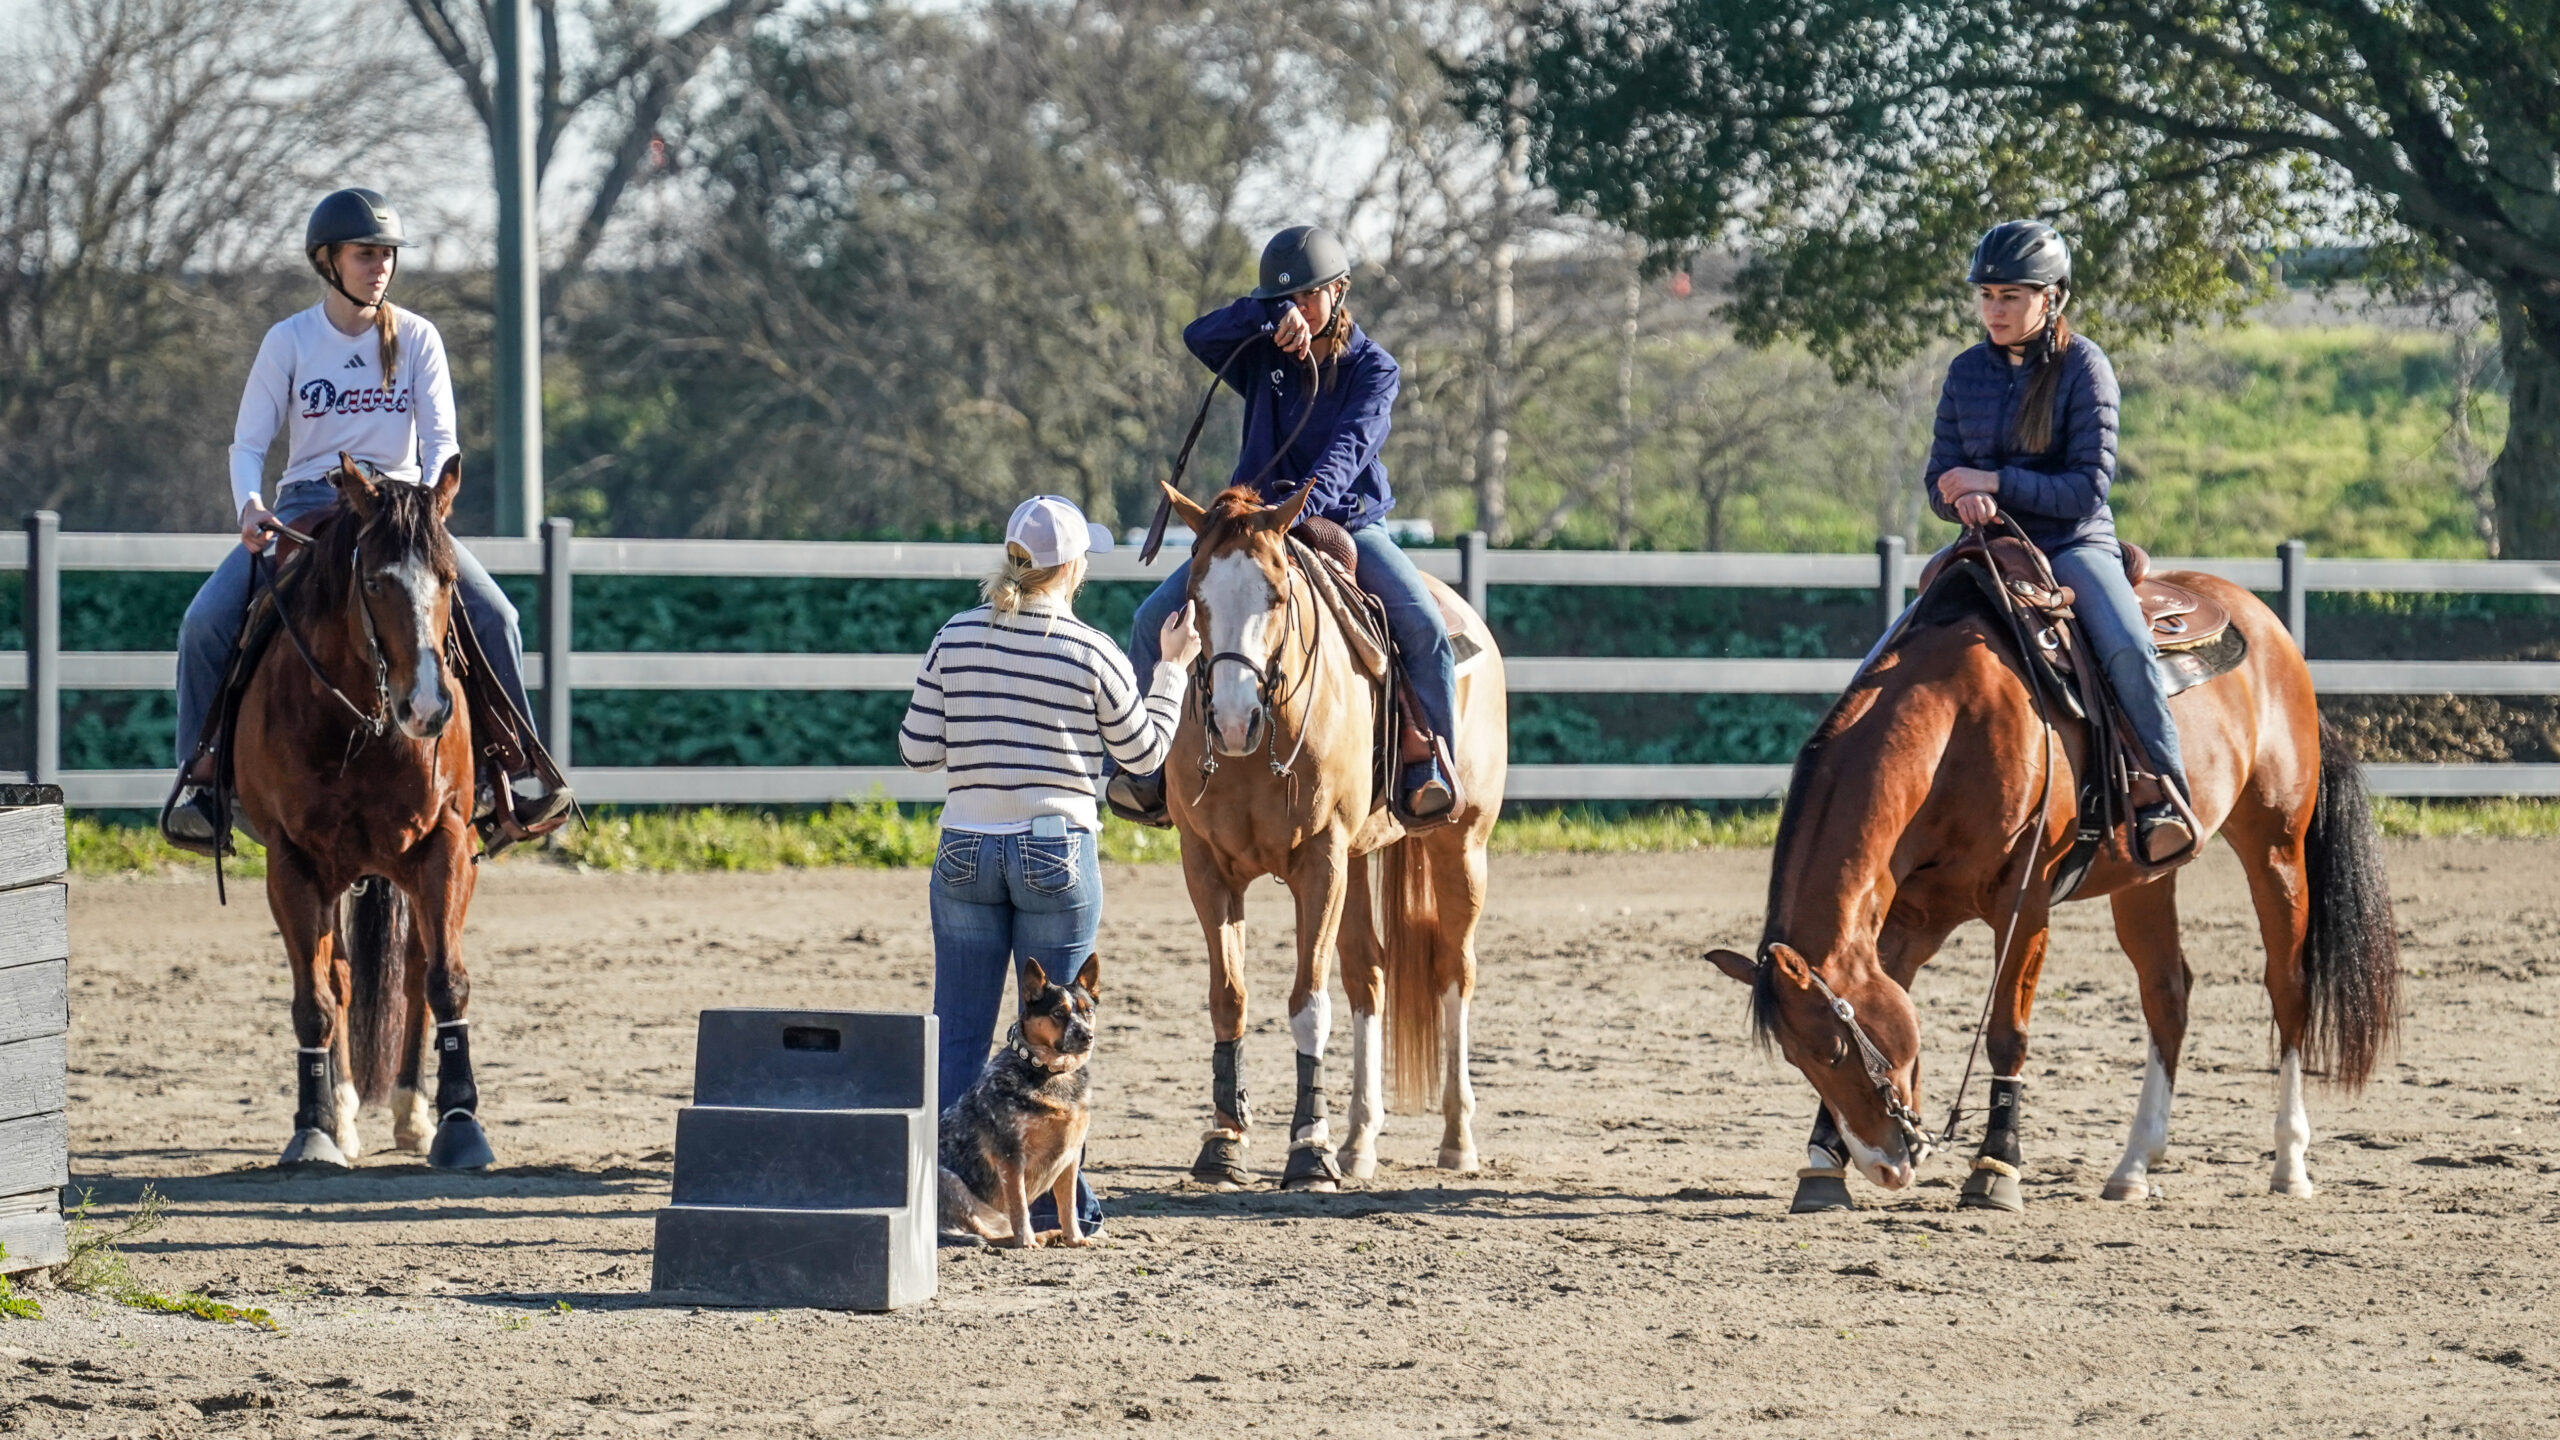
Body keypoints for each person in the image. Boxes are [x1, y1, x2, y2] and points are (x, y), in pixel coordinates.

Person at [165, 188, 569, 848]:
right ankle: (204, 780)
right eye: (365, 254)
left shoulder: (417, 337)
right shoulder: (289, 340)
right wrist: (250, 506)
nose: (379, 266)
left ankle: (517, 770)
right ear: (328, 261)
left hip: (402, 514)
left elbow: (442, 439)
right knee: (205, 621)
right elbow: (248, 443)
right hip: (308, 505)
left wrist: (435, 496)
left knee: (497, 615)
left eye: (386, 255)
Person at [900, 494, 1200, 1238]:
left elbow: (915, 749)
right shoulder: (1091, 649)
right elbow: (1144, 756)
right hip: (1056, 847)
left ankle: (943, 1200)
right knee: (1062, 1040)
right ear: (1074, 568)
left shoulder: (956, 634)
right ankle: (1066, 1209)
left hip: (966, 843)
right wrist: (1172, 671)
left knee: (959, 1032)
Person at [1104, 225, 1460, 826]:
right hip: (1250, 532)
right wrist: (1266, 320)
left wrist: (1297, 507)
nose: (1298, 308)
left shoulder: (1376, 369)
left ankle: (1430, 766)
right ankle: (1143, 770)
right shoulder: (1266, 348)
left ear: (1340, 291)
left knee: (1425, 627)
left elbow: (1350, 449)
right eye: (1285, 299)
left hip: (1343, 524)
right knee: (1148, 621)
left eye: (1308, 297)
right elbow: (1199, 335)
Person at [1924, 219, 2191, 862]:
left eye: (2010, 295)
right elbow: (1939, 477)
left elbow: (2084, 490)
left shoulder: (2085, 368)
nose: (1994, 309)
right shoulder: (1965, 373)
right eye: (1986, 295)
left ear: (2052, 298)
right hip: (1987, 546)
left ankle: (2164, 791)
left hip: (2073, 543)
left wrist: (1994, 480)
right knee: (1901, 641)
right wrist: (1959, 496)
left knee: (2127, 646)